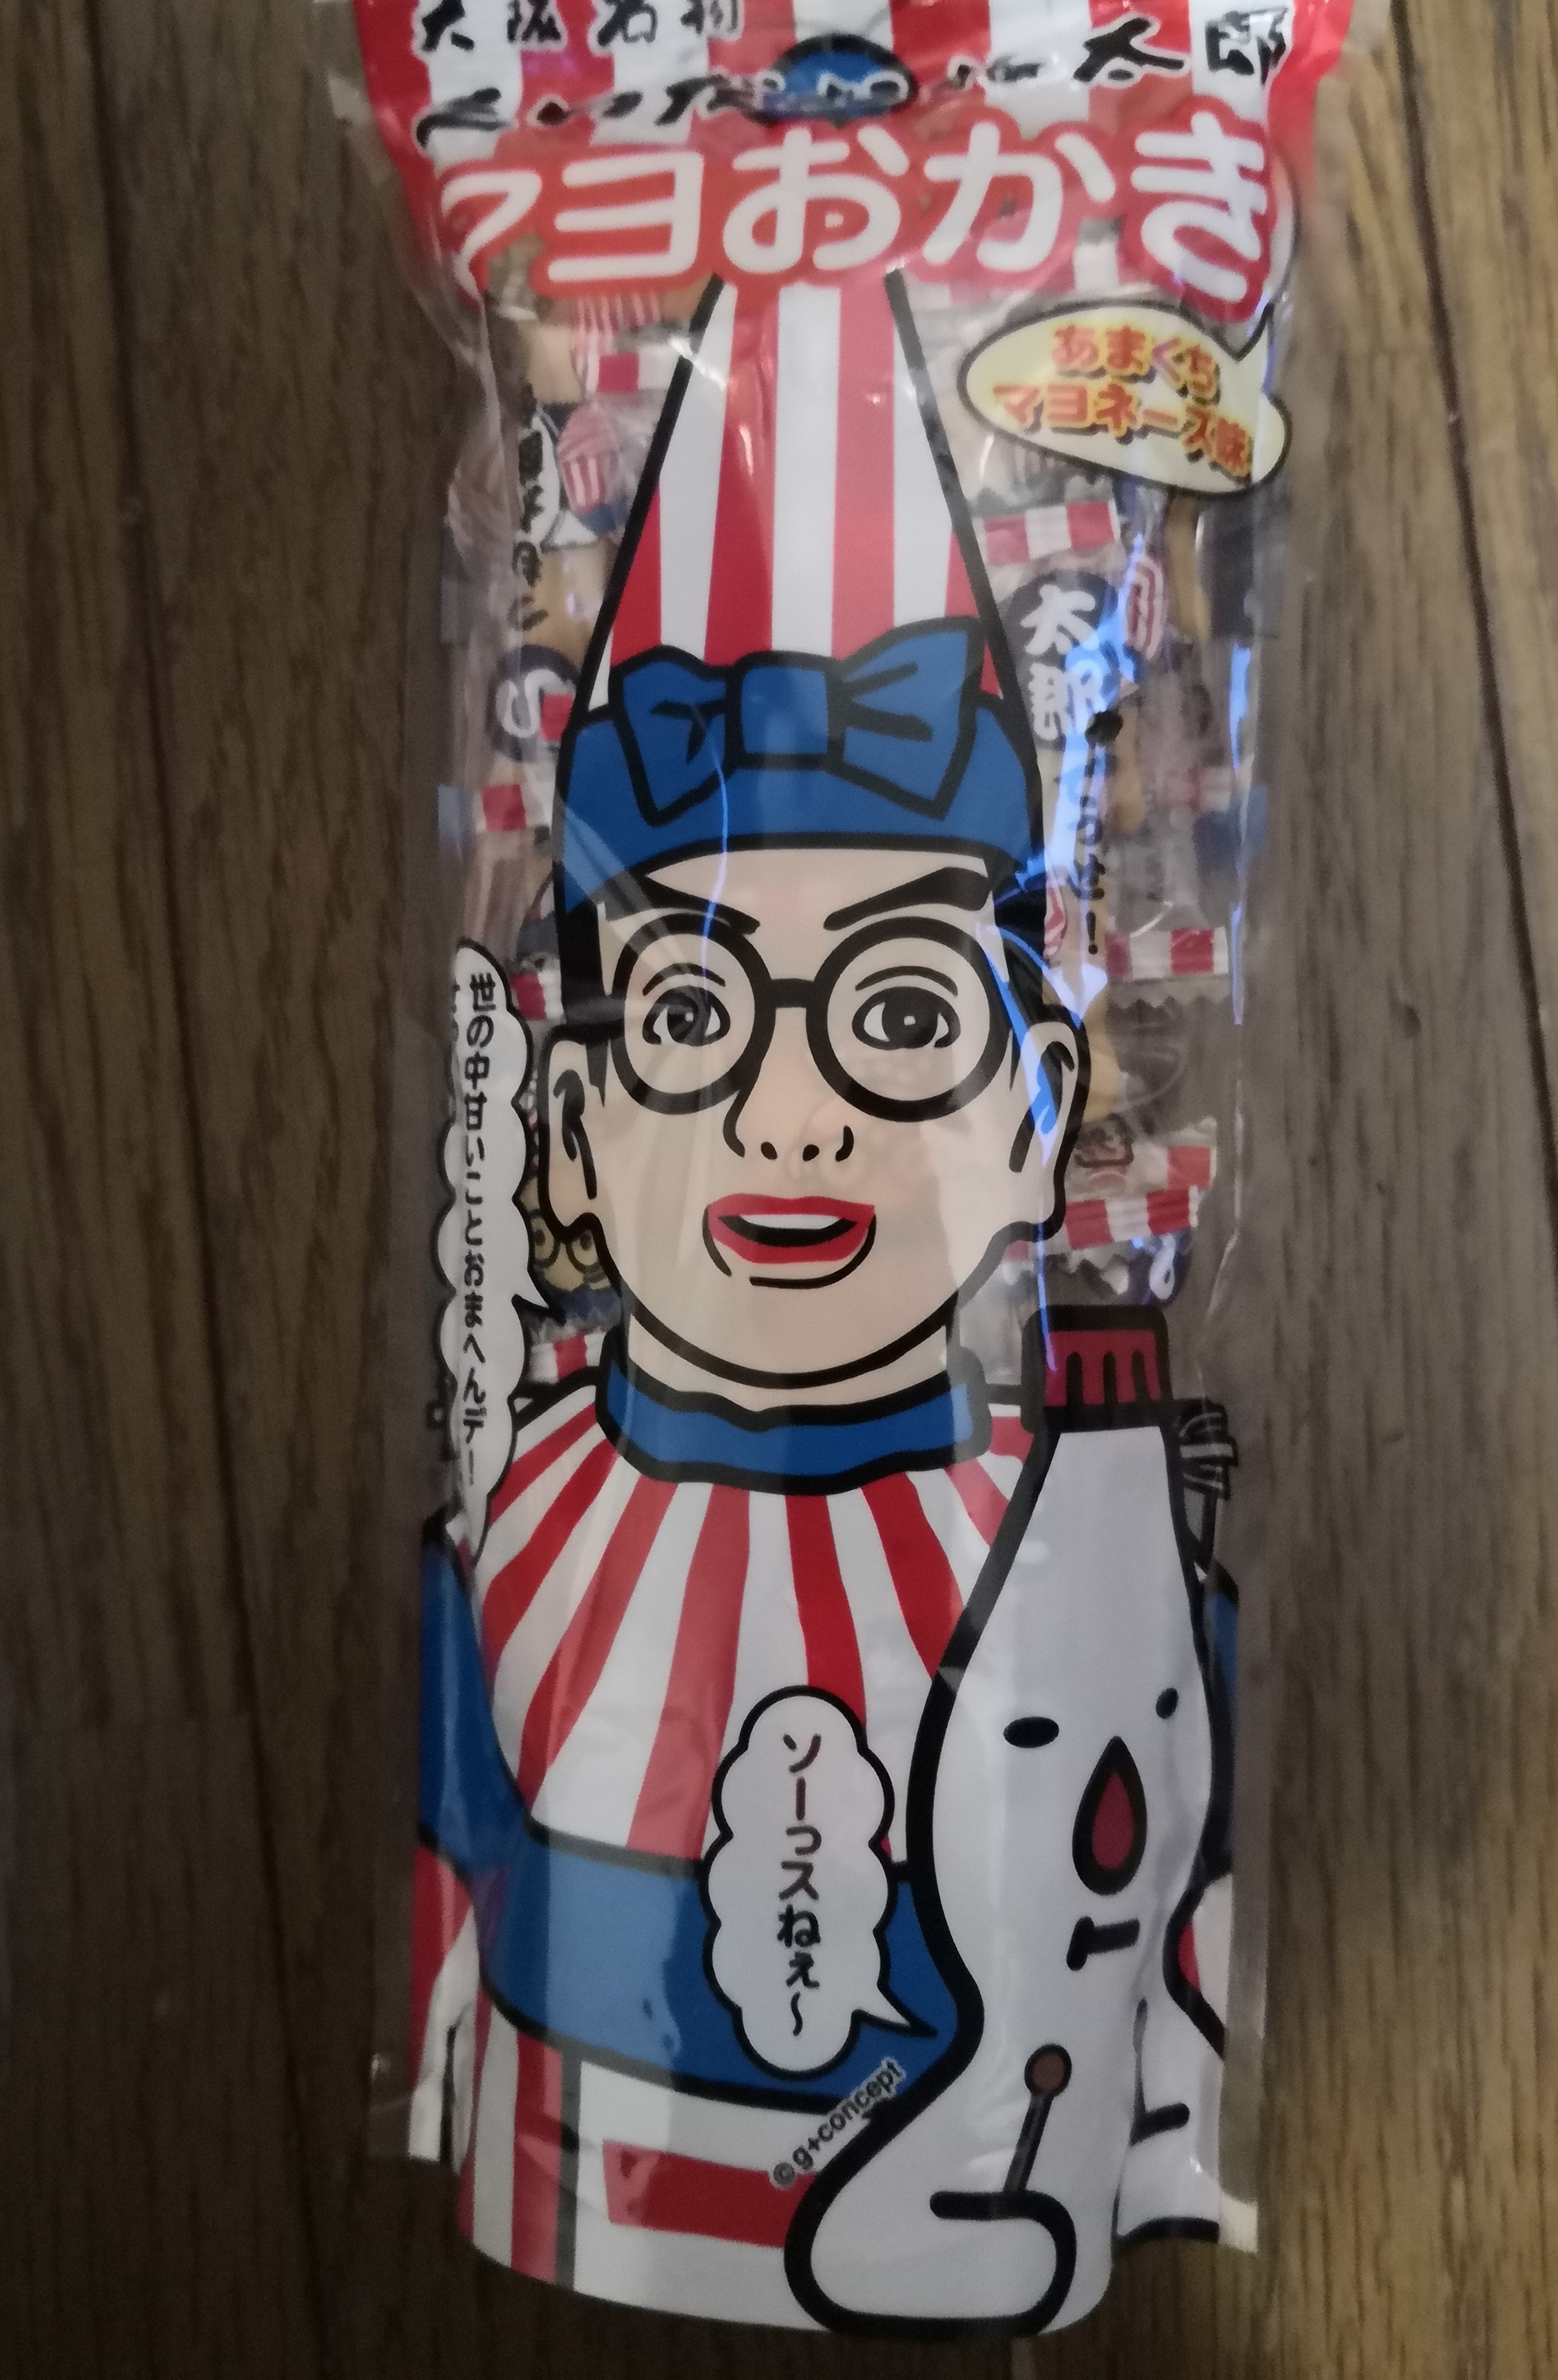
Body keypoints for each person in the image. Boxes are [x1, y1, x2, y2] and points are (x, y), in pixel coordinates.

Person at [409, 272, 1230, 2333]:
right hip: (567, 2178)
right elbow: (452, 1860)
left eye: (901, 1017)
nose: (790, 1119)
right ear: (569, 1123)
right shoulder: (516, 1512)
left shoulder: (1082, 1538)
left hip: (1003, 2182)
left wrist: (1158, 2115)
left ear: (1039, 1112)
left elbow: (1176, 1905)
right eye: (693, 1016)